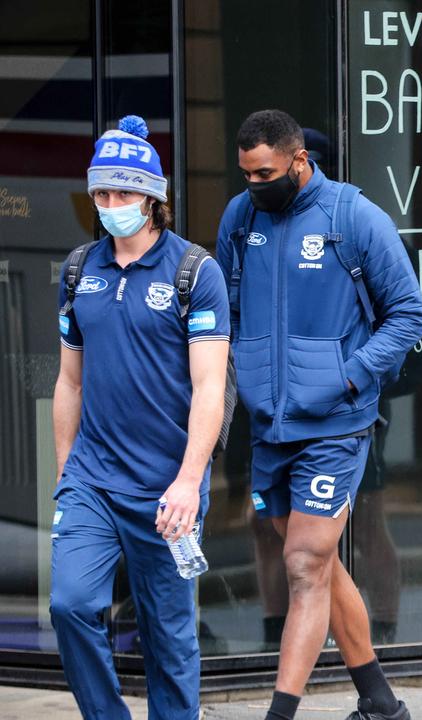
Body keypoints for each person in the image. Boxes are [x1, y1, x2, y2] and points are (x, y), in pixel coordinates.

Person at [216, 109, 422, 720]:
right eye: (246, 175)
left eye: (266, 173)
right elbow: (227, 310)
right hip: (269, 425)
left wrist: (351, 376)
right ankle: (381, 704)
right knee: (322, 563)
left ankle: (279, 714)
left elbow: (408, 314)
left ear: (299, 161)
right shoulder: (240, 217)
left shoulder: (354, 217)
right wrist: (238, 375)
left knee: (305, 564)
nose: (255, 186)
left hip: (335, 423)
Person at [51, 115, 229, 719]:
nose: (109, 204)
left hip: (166, 487)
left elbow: (210, 388)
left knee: (169, 638)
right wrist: (65, 476)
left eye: (122, 193)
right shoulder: (79, 271)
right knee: (70, 605)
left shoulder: (194, 274)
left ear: (153, 198)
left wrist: (187, 481)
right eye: (100, 192)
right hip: (93, 481)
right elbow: (68, 380)